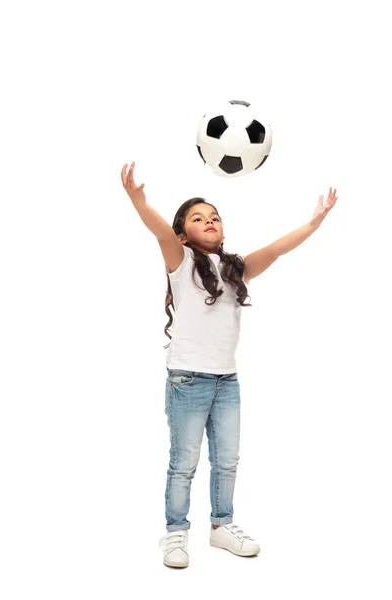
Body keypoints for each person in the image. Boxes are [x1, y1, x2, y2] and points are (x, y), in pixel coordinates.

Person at [121, 161, 338, 568]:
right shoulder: (180, 261)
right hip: (187, 380)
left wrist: (313, 225)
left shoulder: (236, 270)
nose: (210, 221)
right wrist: (139, 201)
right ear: (184, 233)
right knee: (183, 461)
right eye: (198, 218)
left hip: (227, 382)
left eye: (215, 217)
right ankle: (175, 533)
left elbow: (274, 250)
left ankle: (221, 526)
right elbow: (161, 231)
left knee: (227, 459)